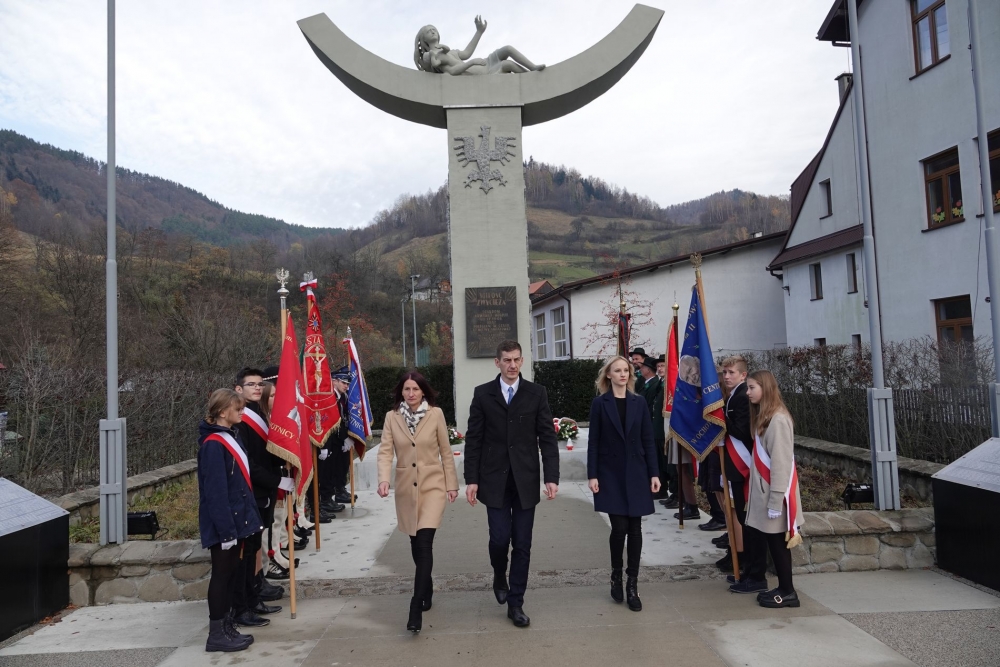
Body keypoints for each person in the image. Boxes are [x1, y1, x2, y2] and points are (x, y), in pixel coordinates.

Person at [464, 340, 560, 628]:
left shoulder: (536, 393)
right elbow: (474, 440)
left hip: (525, 480)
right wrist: (472, 480)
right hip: (493, 480)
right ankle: (498, 574)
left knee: (522, 543)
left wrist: (551, 476)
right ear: (497, 362)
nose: (512, 365)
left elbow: (547, 437)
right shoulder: (483, 394)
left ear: (522, 361)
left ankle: (516, 603)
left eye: (517, 359)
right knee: (498, 540)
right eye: (507, 360)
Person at [377, 371, 460, 633]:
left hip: (432, 486)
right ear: (401, 392)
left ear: (423, 391)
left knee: (424, 543)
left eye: (415, 389)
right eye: (406, 389)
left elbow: (445, 451)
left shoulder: (436, 414)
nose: (411, 393)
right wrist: (383, 479)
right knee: (415, 544)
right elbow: (385, 451)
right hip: (405, 490)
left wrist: (452, 484)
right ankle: (427, 587)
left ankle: (415, 606)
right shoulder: (392, 417)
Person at [587, 356, 661, 611]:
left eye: (626, 370)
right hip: (610, 472)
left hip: (637, 471)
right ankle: (616, 575)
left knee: (635, 528)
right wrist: (593, 474)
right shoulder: (600, 403)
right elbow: (594, 441)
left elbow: (648, 439)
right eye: (617, 370)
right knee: (619, 528)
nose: (622, 374)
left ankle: (632, 583)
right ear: (608, 375)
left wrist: (654, 473)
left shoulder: (638, 403)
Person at [197, 389, 263, 653]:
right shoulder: (213, 444)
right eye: (237, 409)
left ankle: (226, 627)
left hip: (237, 520)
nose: (242, 412)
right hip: (224, 524)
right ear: (223, 412)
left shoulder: (230, 436)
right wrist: (226, 531)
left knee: (231, 575)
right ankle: (216, 634)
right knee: (221, 577)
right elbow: (216, 492)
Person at [232, 368, 292, 625]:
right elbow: (249, 463)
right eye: (251, 385)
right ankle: (244, 604)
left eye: (260, 384)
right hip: (252, 493)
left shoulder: (257, 413)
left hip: (263, 490)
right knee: (247, 552)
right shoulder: (240, 419)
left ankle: (254, 595)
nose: (257, 388)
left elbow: (267, 452)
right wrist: (277, 480)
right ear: (238, 389)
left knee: (255, 547)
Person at [745, 370, 804, 608]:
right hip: (766, 492)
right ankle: (783, 587)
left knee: (779, 544)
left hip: (776, 495)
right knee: (773, 542)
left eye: (752, 388)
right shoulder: (765, 417)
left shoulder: (778, 420)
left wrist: (776, 501)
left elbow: (781, 464)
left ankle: (788, 591)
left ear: (765, 388)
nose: (747, 392)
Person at [720, 357, 764, 593]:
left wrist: (720, 418)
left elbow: (742, 432)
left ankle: (755, 574)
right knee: (742, 518)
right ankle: (747, 570)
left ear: (743, 375)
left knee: (748, 521)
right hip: (736, 466)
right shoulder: (734, 395)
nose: (726, 376)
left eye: (731, 372)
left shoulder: (741, 397)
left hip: (744, 466)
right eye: (724, 372)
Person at [414, 17, 545, 75]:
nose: (432, 31)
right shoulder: (431, 55)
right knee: (507, 64)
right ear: (424, 39)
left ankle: (533, 68)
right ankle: (530, 79)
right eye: (428, 31)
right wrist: (472, 62)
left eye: (434, 29)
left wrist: (479, 31)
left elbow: (467, 53)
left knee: (507, 49)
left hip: (483, 63)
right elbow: (452, 71)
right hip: (481, 73)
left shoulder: (450, 51)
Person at [639, 356, 668, 500]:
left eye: (663, 366)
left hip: (662, 429)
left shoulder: (663, 383)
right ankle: (663, 490)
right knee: (659, 461)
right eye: (659, 366)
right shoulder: (660, 383)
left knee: (666, 462)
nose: (660, 369)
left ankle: (671, 492)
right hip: (656, 428)